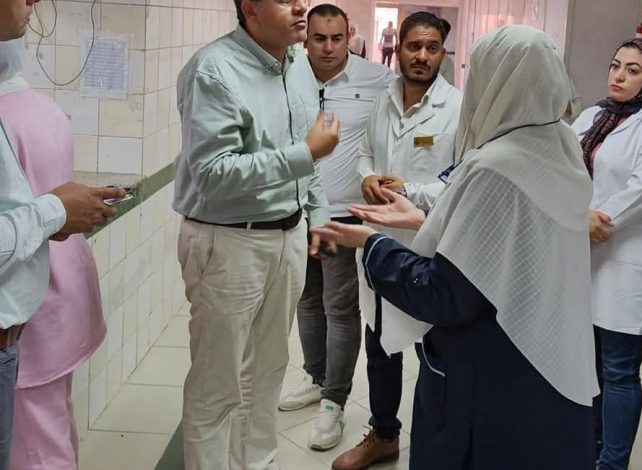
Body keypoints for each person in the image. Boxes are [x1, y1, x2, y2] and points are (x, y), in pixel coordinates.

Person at [311, 24, 598, 470]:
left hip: (489, 368)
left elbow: (444, 294)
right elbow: (509, 240)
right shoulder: (561, 146)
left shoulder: (495, 164)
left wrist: (372, 244)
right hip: (542, 352)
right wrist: (423, 219)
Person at [172, 0, 341, 467]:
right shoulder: (213, 71)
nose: (301, 6)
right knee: (219, 383)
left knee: (267, 373)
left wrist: (317, 212)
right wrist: (306, 154)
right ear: (250, 9)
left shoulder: (297, 64)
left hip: (287, 236)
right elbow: (212, 174)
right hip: (229, 242)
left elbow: (306, 145)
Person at [330, 12, 462, 470]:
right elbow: (366, 152)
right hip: (383, 243)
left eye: (431, 48)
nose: (422, 56)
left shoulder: (459, 108)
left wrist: (409, 190)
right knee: (380, 343)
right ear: (398, 47)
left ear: (443, 53)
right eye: (413, 46)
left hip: (432, 246)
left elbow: (461, 179)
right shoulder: (383, 100)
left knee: (434, 353)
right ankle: (384, 434)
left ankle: (436, 445)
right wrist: (368, 177)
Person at [0, 3, 124, 469]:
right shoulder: (42, 109)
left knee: (34, 447)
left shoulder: (9, 117)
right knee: (53, 430)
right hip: (63, 297)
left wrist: (53, 211)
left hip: (33, 312)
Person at [278, 3, 395, 452]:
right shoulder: (289, 74)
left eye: (336, 38)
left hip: (343, 215)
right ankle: (315, 376)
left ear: (350, 37)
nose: (328, 48)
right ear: (305, 39)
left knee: (340, 307)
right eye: (319, 39)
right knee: (307, 300)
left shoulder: (377, 80)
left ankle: (335, 399)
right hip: (298, 211)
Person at [570, 38, 642, 470]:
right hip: (581, 252)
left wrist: (592, 222)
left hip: (626, 261)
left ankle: (612, 462)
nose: (619, 75)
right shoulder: (591, 116)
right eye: (615, 65)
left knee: (619, 368)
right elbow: (562, 167)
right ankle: (589, 449)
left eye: (633, 70)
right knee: (589, 364)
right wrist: (574, 219)